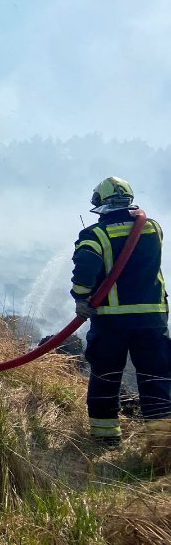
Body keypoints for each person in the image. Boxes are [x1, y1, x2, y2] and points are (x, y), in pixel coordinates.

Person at [71, 176, 171, 444]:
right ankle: (162, 444)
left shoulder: (95, 235)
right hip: (152, 319)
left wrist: (81, 299)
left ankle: (106, 438)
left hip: (112, 320)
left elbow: (84, 271)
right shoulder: (153, 228)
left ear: (100, 203)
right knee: (156, 378)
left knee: (106, 376)